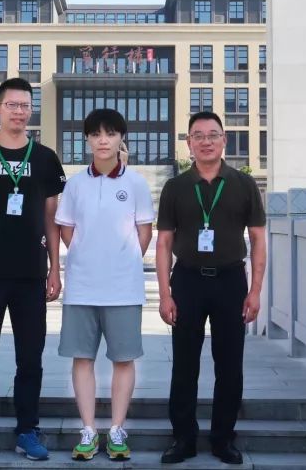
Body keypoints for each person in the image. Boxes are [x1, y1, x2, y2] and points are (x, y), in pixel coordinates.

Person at [0, 77, 66, 462]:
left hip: (31, 275)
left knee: (30, 359)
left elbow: (52, 219)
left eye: (25, 106)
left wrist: (55, 269)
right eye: (12, 105)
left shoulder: (46, 159)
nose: (19, 112)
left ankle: (27, 430)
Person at [155, 111, 267, 465]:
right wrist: (165, 294)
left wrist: (255, 291)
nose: (206, 141)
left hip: (231, 281)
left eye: (213, 135)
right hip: (187, 280)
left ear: (224, 140)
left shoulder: (243, 184)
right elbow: (164, 243)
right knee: (184, 365)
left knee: (230, 365)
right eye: (199, 136)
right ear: (189, 143)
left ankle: (223, 439)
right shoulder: (175, 187)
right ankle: (183, 439)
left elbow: (258, 239)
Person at [54, 109, 153, 461]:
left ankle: (116, 430)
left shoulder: (136, 183)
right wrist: (87, 256)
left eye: (110, 133)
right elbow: (66, 229)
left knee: (123, 359)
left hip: (124, 288)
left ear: (121, 138)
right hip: (82, 286)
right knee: (82, 357)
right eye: (96, 134)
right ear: (87, 139)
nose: (103, 140)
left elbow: (144, 232)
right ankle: (88, 430)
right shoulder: (75, 184)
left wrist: (122, 259)